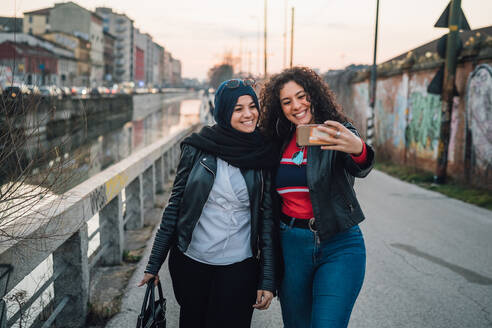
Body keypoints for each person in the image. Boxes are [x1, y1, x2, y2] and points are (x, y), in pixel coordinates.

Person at [139, 79, 278, 328]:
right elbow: (175, 208)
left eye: (252, 106)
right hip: (192, 262)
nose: (248, 114)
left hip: (240, 265)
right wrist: (154, 263)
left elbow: (267, 219)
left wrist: (267, 279)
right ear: (223, 112)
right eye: (238, 109)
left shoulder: (264, 154)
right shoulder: (197, 148)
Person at [259, 67, 374, 328]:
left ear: (314, 95)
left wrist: (358, 148)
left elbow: (361, 165)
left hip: (340, 244)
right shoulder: (277, 141)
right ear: (280, 108)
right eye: (287, 101)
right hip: (292, 248)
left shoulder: (337, 131)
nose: (296, 106)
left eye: (302, 96)